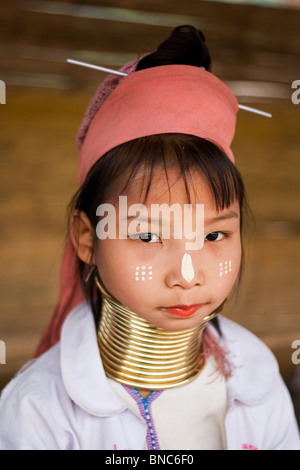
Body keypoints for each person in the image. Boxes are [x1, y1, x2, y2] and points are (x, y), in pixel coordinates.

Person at [0, 25, 299, 450]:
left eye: (214, 233)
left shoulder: (258, 380)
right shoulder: (40, 410)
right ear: (88, 238)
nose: (187, 274)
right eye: (146, 236)